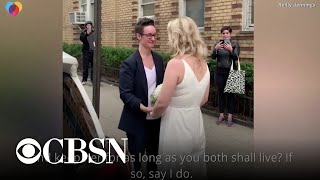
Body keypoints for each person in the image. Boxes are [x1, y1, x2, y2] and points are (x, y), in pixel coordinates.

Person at [150, 16, 210, 179]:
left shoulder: (175, 63)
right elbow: (204, 99)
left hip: (176, 125)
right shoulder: (204, 64)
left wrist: (153, 113)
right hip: (195, 122)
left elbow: (162, 102)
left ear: (176, 36)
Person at [118, 17, 164, 177]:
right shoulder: (129, 63)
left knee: (153, 161)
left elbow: (163, 85)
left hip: (156, 120)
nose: (153, 38)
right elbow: (125, 93)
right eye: (149, 35)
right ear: (139, 36)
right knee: (136, 164)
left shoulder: (159, 59)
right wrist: (143, 107)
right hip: (137, 120)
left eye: (154, 35)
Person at [211, 26, 240, 127]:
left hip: (231, 72)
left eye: (227, 33)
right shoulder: (218, 44)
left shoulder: (235, 44)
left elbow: (236, 57)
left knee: (231, 95)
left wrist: (231, 50)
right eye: (223, 33)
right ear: (221, 34)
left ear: (230, 34)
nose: (225, 35)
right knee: (221, 94)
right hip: (219, 72)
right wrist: (215, 49)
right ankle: (221, 115)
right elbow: (213, 57)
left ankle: (230, 116)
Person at [80, 21, 95, 85]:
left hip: (92, 52)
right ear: (86, 26)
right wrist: (86, 34)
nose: (88, 26)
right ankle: (84, 80)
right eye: (87, 25)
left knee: (93, 66)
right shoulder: (83, 33)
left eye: (89, 25)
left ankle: (93, 80)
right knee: (85, 66)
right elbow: (82, 39)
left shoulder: (94, 33)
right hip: (86, 52)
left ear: (91, 26)